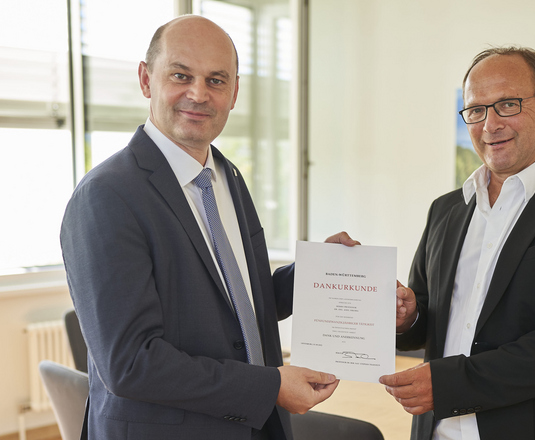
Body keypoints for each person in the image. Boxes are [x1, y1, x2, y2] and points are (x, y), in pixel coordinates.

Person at [61, 15, 357, 440]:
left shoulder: (226, 176)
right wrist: (272, 385)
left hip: (254, 425)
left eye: (216, 80)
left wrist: (317, 273)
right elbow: (131, 363)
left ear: (234, 93)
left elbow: (235, 305)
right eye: (180, 75)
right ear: (146, 79)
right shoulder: (106, 196)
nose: (198, 94)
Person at [379, 47, 535, 440]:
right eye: (475, 110)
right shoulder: (446, 209)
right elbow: (428, 321)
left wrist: (450, 383)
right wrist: (408, 315)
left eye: (507, 104)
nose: (489, 124)